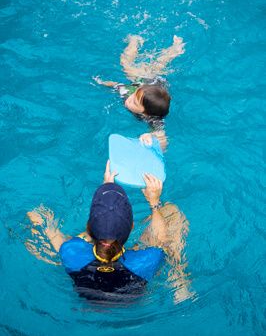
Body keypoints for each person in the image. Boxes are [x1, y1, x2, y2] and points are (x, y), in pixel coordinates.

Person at [26, 161, 191, 303]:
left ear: (89, 226)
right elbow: (160, 240)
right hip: (133, 302)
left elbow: (49, 226)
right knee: (171, 215)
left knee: (41, 219)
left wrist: (106, 188)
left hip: (87, 300)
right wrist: (154, 203)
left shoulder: (71, 251)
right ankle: (180, 280)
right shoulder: (146, 260)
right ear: (132, 227)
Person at [93, 35, 185, 150]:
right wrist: (101, 83)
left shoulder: (154, 119)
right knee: (126, 64)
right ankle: (135, 40)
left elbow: (163, 143)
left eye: (134, 103)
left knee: (158, 64)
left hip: (149, 89)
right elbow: (115, 84)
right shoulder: (130, 92)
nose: (129, 99)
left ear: (145, 114)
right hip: (144, 83)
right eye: (133, 97)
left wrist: (150, 136)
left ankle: (175, 49)